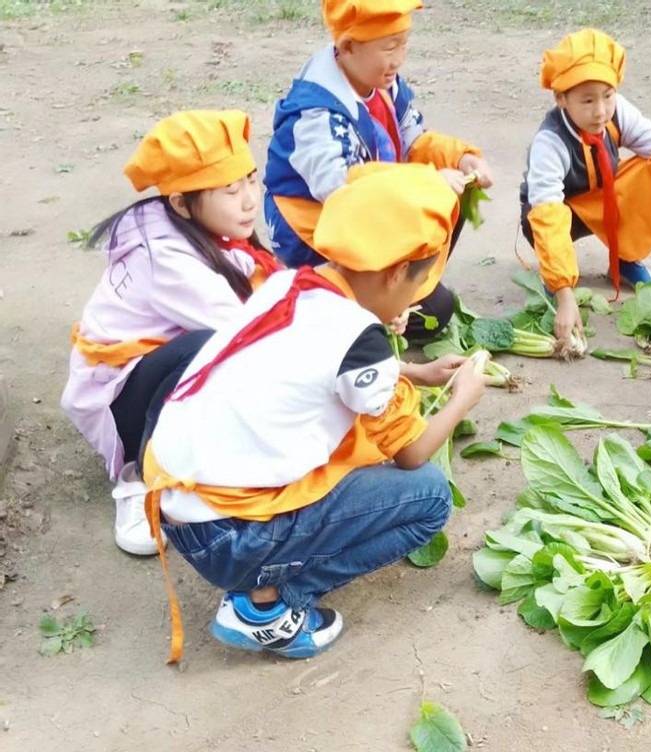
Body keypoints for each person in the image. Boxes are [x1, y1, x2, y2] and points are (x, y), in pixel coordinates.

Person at [141, 163, 486, 662]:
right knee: (430, 497)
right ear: (394, 273)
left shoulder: (294, 285)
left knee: (354, 458)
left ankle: (261, 582)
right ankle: (269, 607)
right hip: (227, 535)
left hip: (179, 506)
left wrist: (415, 372)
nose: (418, 296)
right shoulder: (362, 344)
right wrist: (462, 397)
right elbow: (412, 454)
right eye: (418, 283)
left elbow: (308, 366)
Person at [60, 110, 279, 556]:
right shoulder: (166, 261)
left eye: (251, 181)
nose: (249, 201)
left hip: (148, 379)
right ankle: (138, 482)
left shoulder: (204, 230)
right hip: (122, 407)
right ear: (180, 203)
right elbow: (253, 329)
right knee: (206, 348)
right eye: (230, 190)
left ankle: (191, 456)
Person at [265, 0, 493, 338]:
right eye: (390, 46)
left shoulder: (381, 81)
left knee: (449, 194)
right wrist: (427, 181)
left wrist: (460, 159)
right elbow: (345, 195)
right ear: (347, 47)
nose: (399, 58)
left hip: (367, 207)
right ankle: (340, 310)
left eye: (403, 43)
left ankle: (396, 293)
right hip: (318, 228)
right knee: (435, 310)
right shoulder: (316, 115)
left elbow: (413, 138)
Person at [519, 28, 651, 346]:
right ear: (561, 98)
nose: (600, 111)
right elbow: (548, 213)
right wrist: (565, 294)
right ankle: (558, 280)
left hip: (603, 198)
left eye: (607, 96)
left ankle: (624, 258)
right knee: (552, 239)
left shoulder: (617, 112)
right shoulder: (549, 142)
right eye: (587, 100)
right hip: (562, 215)